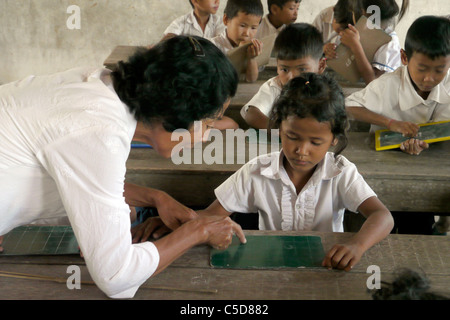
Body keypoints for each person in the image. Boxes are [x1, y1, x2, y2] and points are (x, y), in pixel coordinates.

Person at [0, 36, 246, 298]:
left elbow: (74, 172)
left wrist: (156, 197)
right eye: (206, 124)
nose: (204, 136)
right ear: (171, 116)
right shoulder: (99, 132)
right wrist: (199, 230)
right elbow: (116, 276)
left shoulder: (99, 85)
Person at [199, 73, 395, 272]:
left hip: (326, 268)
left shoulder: (340, 172)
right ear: (279, 129)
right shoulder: (257, 171)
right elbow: (210, 215)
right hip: (270, 268)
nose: (301, 150)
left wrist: (358, 244)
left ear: (334, 139)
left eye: (315, 142)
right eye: (292, 136)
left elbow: (382, 216)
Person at [346, 15, 450, 156]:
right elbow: (347, 106)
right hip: (381, 158)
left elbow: (442, 127)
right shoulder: (387, 85)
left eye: (439, 70)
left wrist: (418, 142)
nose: (428, 79)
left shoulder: (448, 83)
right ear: (404, 57)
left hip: (432, 158)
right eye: (421, 69)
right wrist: (390, 123)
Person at [241, 23, 326, 129]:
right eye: (284, 69)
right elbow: (252, 115)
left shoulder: (326, 90)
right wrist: (282, 130)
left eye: (302, 69)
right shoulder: (274, 87)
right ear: (277, 66)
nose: (291, 77)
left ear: (321, 66)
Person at [315, 0, 409, 84]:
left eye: (353, 13)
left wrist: (356, 47)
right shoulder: (362, 34)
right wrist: (328, 53)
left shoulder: (389, 44)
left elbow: (373, 82)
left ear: (365, 14)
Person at [210, 0, 264, 82]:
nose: (247, 33)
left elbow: (251, 79)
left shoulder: (253, 48)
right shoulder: (213, 46)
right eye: (242, 26)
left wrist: (251, 58)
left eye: (253, 28)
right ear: (226, 20)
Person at [160, 0, 225, 41]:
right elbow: (169, 37)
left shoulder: (221, 22)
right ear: (195, 1)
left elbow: (222, 42)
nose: (217, 1)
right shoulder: (181, 23)